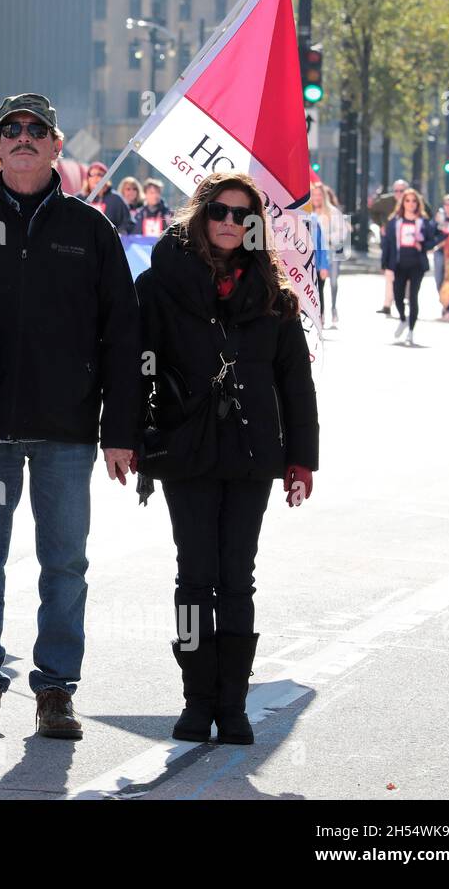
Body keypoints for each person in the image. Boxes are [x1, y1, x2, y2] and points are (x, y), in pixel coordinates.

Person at [0, 93, 140, 739]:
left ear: (57, 146)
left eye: (36, 130)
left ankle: (55, 689)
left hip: (67, 428)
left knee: (65, 564)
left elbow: (124, 335)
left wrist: (121, 430)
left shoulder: (91, 229)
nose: (23, 138)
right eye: (11, 130)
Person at [135, 170, 319, 745]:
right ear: (200, 213)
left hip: (251, 453)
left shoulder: (274, 296)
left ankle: (233, 703)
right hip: (184, 448)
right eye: (220, 211)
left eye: (244, 216)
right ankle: (197, 698)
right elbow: (136, 365)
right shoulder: (160, 285)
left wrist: (301, 460)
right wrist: (130, 438)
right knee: (195, 577)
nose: (231, 224)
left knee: (237, 580)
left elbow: (296, 384)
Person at [381, 187, 437, 347]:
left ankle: (411, 331)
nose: (411, 204)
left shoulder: (423, 222)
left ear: (417, 203)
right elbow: (387, 244)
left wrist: (423, 245)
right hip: (398, 264)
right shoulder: (395, 222)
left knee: (413, 297)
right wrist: (385, 264)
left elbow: (433, 240)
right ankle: (403, 319)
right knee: (397, 296)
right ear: (402, 202)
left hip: (417, 265)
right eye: (407, 200)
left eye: (413, 201)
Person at [312, 183, 349, 329]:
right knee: (318, 286)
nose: (317, 198)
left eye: (319, 195)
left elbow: (343, 232)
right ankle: (320, 315)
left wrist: (325, 237)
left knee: (332, 282)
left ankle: (333, 308)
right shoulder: (308, 212)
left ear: (324, 196)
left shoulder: (333, 212)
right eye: (314, 195)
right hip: (315, 253)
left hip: (331, 252)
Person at [374, 179, 409, 315]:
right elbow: (373, 210)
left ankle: (406, 303)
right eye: (396, 190)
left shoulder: (414, 202)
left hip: (407, 249)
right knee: (389, 275)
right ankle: (387, 305)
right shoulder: (386, 201)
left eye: (402, 191)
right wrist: (381, 224)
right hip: (391, 245)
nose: (399, 193)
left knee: (407, 280)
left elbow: (427, 215)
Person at [78, 160, 135, 234]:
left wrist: (118, 234)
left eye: (100, 174)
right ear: (88, 178)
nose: (96, 178)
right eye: (93, 174)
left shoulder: (116, 199)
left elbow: (128, 223)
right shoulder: (79, 198)